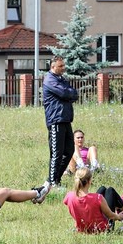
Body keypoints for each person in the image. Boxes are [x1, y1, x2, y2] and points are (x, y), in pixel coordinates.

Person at [63, 167, 123, 233]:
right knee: (110, 191)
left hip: (82, 229)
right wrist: (119, 217)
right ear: (89, 181)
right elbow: (111, 216)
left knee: (102, 189)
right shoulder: (98, 198)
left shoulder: (69, 195)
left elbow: (74, 202)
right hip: (102, 230)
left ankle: (119, 204)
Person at [43, 55, 78, 189]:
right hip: (56, 119)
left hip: (65, 119)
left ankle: (55, 179)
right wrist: (69, 94)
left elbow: (73, 93)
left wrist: (70, 94)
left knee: (69, 150)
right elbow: (65, 93)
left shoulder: (61, 79)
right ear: (53, 67)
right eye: (60, 66)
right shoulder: (50, 79)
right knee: (57, 153)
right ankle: (52, 183)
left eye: (64, 65)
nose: (63, 68)